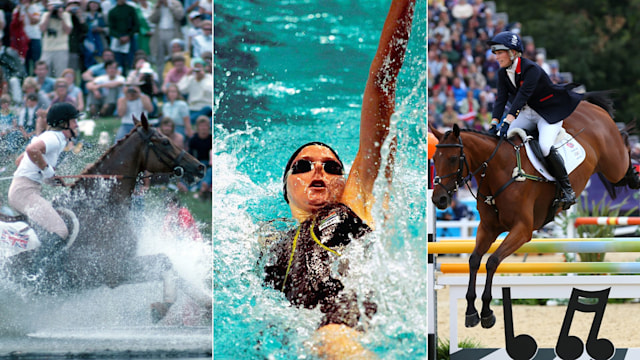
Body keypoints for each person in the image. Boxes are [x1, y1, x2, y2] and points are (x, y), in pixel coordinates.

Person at [262, 0, 414, 357]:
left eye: (332, 168)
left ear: (346, 183)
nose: (318, 170)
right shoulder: (269, 238)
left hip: (342, 324)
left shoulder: (351, 205)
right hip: (292, 334)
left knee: (333, 339)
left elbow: (381, 87)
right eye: (303, 166)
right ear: (285, 187)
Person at [487, 30, 582, 209]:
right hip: (527, 113)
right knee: (500, 138)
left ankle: (567, 190)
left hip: (547, 113)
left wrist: (507, 121)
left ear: (513, 53)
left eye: (500, 52)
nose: (497, 57)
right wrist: (494, 123)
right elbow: (500, 100)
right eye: (496, 53)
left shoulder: (531, 69)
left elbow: (521, 97)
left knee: (545, 147)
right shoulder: (502, 73)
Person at [8, 102, 80, 254]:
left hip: (23, 191)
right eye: (74, 121)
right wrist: (49, 173)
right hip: (24, 193)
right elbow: (31, 150)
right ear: (63, 123)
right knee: (61, 231)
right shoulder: (55, 138)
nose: (76, 124)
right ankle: (40, 275)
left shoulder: (49, 137)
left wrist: (48, 178)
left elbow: (20, 160)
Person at [148, 0, 184, 81]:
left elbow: (180, 16)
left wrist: (169, 6)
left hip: (173, 32)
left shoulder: (176, 3)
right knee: (159, 60)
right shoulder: (158, 4)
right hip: (159, 33)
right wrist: (157, 7)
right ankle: (161, 83)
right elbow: (152, 19)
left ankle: (175, 82)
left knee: (174, 57)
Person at [39, 0, 73, 77]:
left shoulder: (66, 15)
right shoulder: (45, 15)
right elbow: (42, 29)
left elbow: (68, 31)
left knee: (60, 74)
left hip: (61, 48)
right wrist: (49, 14)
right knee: (44, 73)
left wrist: (61, 17)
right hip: (47, 49)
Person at [177, 57, 212, 123]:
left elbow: (209, 90)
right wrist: (187, 76)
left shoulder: (209, 78)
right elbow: (180, 89)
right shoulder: (190, 79)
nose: (198, 69)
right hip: (193, 107)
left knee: (207, 109)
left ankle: (191, 120)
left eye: (200, 67)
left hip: (205, 106)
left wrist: (202, 78)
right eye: (196, 67)